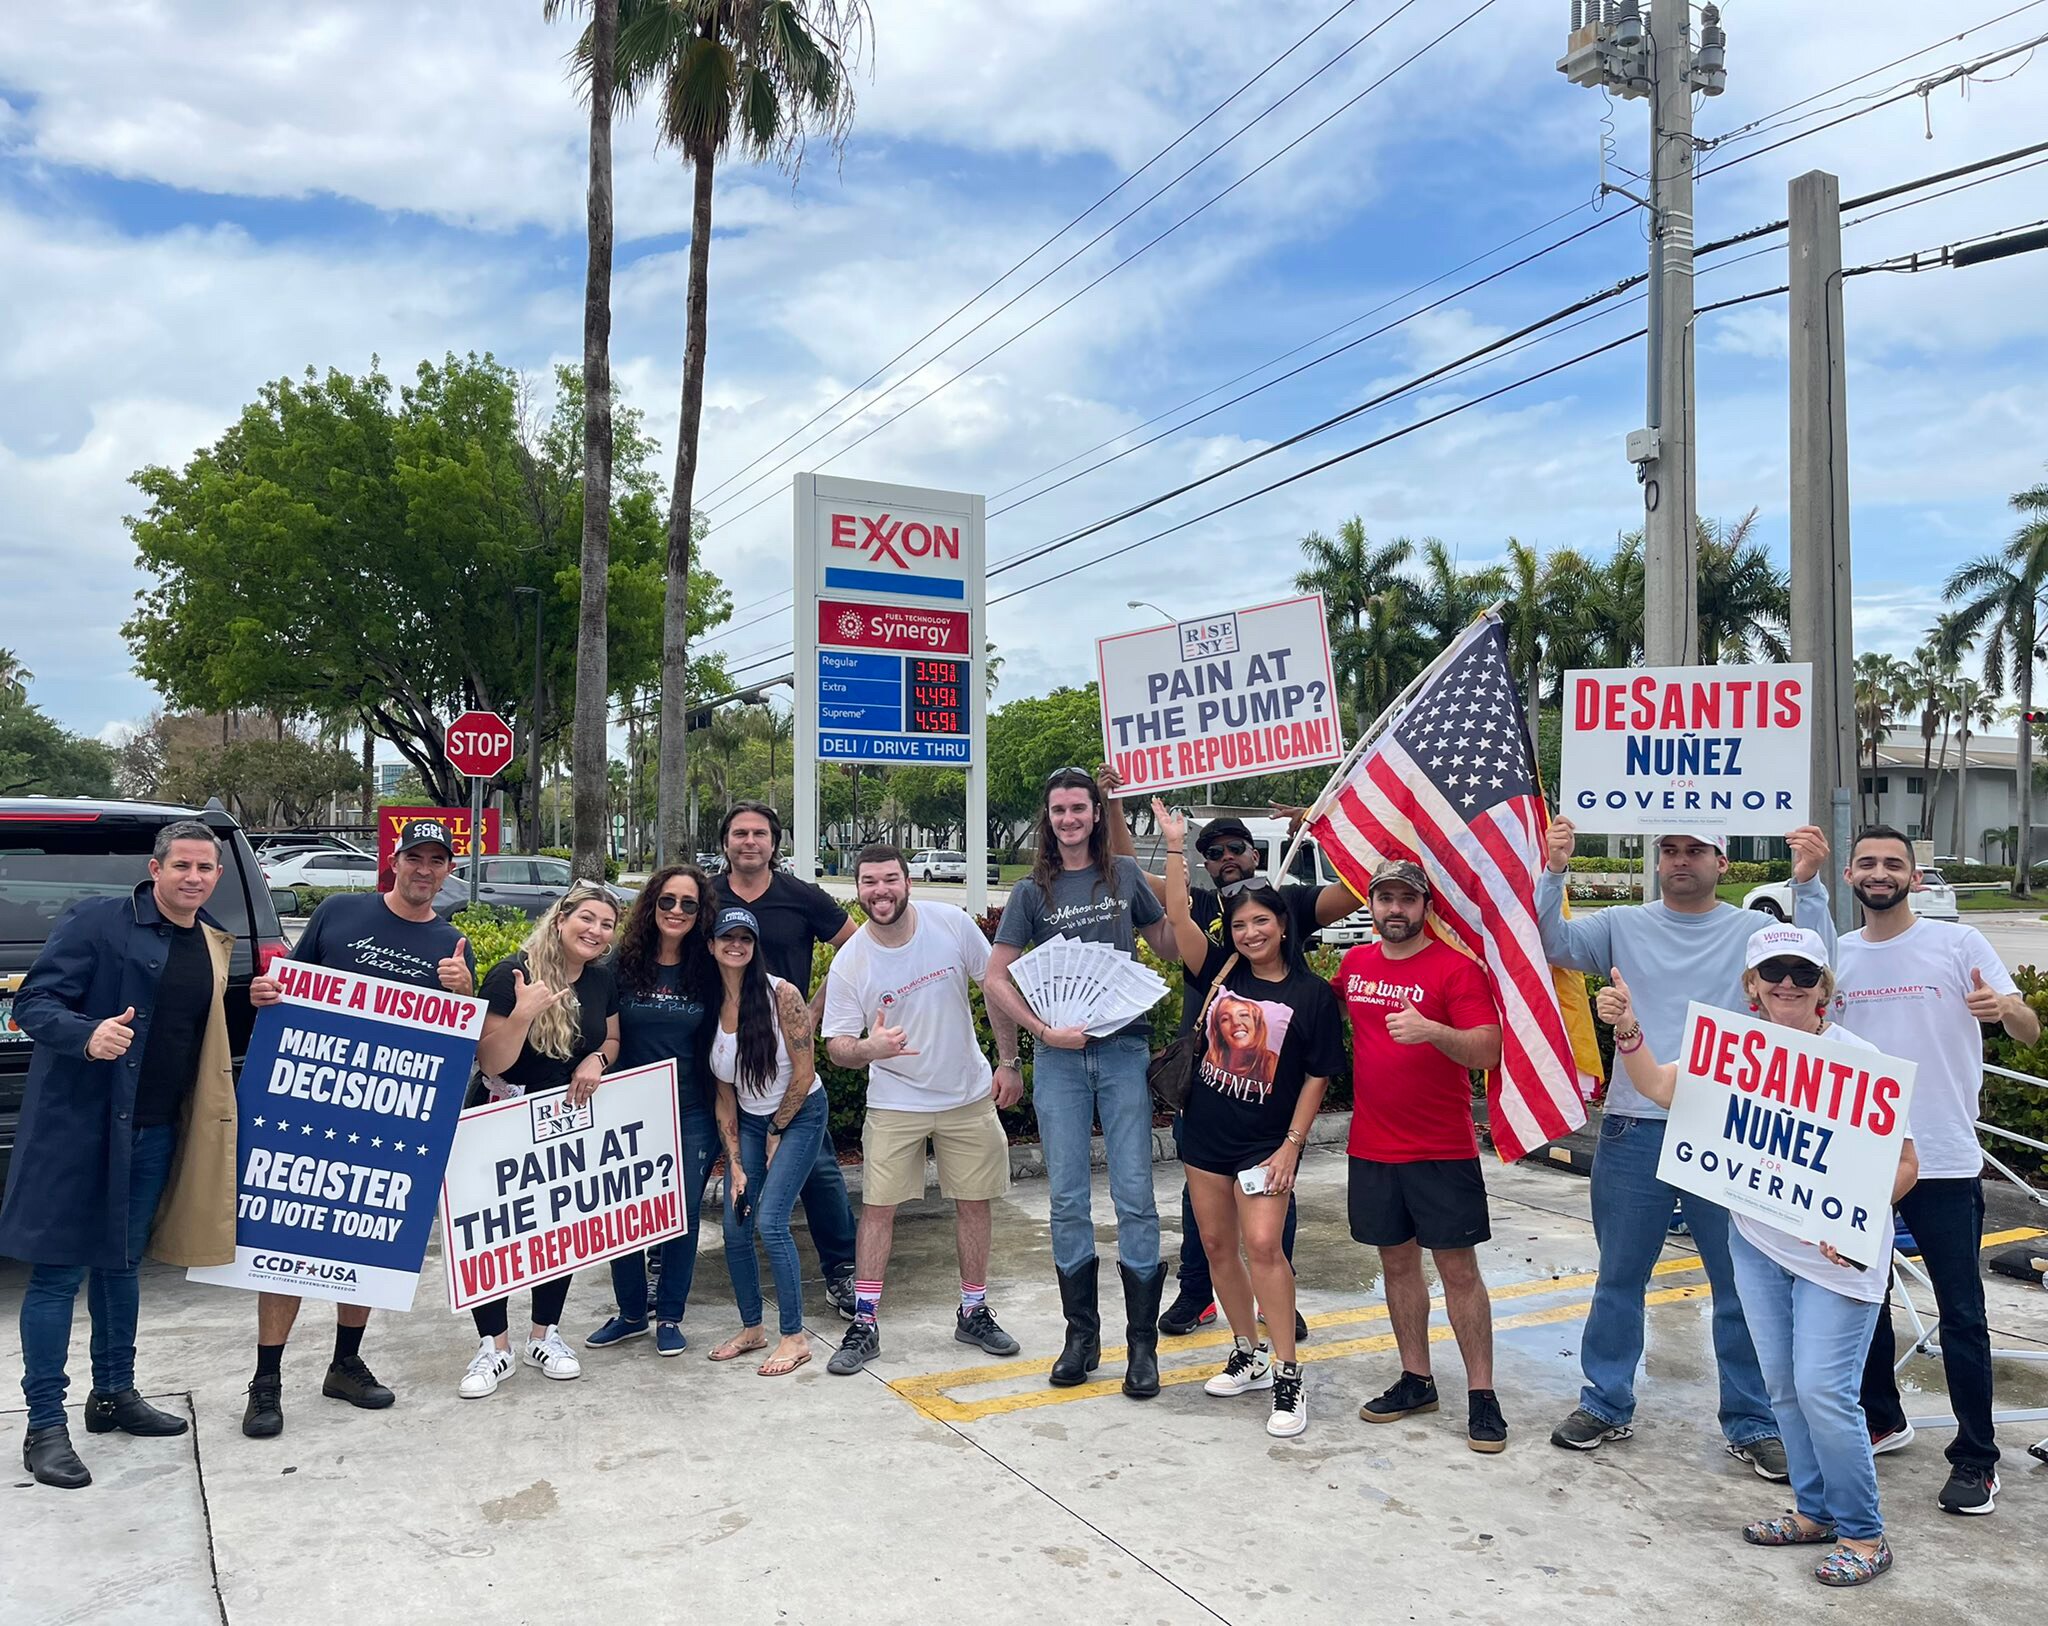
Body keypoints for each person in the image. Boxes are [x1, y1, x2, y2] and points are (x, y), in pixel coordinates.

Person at [1598, 926, 1919, 1588]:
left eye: (1805, 974)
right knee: (1782, 1388)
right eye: (1775, 971)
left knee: (1824, 1391)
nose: (1789, 985)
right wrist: (1628, 1030)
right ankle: (1814, 1510)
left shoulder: (1857, 1058)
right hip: (1759, 1245)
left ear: (1824, 987)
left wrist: (1854, 1214)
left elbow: (1907, 1163)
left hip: (1837, 1258)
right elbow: (1660, 1087)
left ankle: (1865, 1533)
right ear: (1752, 984)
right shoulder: (1732, 1052)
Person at [1537, 818, 1836, 1477]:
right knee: (1620, 1278)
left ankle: (1753, 1421)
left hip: (1727, 1131)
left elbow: (1817, 966)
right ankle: (1605, 1403)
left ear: (1722, 861)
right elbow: (1551, 941)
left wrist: (1808, 883)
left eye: (1694, 849)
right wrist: (1555, 868)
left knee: (1740, 1286)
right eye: (1669, 848)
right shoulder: (1621, 923)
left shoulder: (1751, 934)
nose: (1679, 860)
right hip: (1633, 1127)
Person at [0, 820, 237, 1489]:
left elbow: (204, 1024)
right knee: (55, 1277)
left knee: (121, 1265)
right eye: (182, 865)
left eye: (205, 868)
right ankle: (45, 1424)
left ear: (217, 876)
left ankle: (114, 1395)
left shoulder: (212, 941)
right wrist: (86, 1033)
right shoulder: (98, 921)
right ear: (154, 868)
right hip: (80, 1127)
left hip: (156, 1129)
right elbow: (34, 1002)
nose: (193, 878)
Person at [241, 816, 475, 1437]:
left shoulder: (451, 943)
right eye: (414, 858)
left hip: (390, 1116)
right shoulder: (340, 912)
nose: (424, 870)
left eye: (436, 861)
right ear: (393, 862)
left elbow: (454, 1041)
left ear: (448, 870)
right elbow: (290, 983)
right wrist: (266, 991)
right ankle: (266, 1381)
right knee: (284, 1244)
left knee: (365, 1239)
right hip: (310, 1101)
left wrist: (464, 987)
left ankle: (345, 1364)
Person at [1834, 824, 2038, 1517]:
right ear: (1850, 876)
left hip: (1946, 1159)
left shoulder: (1959, 944)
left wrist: (2007, 1008)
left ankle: (1977, 1461)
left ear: (1914, 878)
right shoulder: (1839, 957)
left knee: (1962, 1314)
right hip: (1860, 1159)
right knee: (1859, 1302)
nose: (1881, 872)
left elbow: (2028, 1028)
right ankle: (1883, 1418)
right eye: (1869, 862)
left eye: (1895, 863)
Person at [1108, 790, 1355, 1338]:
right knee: (1205, 1211)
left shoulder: (1289, 901)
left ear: (1255, 855)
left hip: (1271, 1084)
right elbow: (1127, 872)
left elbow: (1355, 892)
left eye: (1235, 848)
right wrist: (1116, 807)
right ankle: (1198, 1295)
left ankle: (1274, 1299)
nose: (1225, 857)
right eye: (1213, 851)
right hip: (1208, 1080)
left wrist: (1326, 825)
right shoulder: (1198, 905)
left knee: (1271, 1209)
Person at [986, 768, 1179, 1398]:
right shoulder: (1029, 892)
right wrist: (1037, 1035)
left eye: (1079, 808)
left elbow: (1172, 948)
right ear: (1049, 818)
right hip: (1061, 1061)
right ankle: (1082, 1337)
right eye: (1059, 810)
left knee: (1135, 1197)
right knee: (1066, 1198)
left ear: (1097, 814)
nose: (1069, 819)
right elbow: (995, 980)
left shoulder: (1123, 876)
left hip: (1123, 1049)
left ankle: (1142, 1348)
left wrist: (1175, 857)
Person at [1155, 802, 1346, 1437]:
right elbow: (1178, 916)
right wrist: (1176, 845)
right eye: (1241, 925)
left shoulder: (1313, 995)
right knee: (1215, 1247)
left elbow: (1319, 1073)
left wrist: (1293, 1144)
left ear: (1284, 926)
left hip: (1267, 1141)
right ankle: (1247, 1350)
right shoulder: (1217, 970)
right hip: (1206, 1133)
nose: (1251, 933)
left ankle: (1288, 1376)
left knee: (1264, 1247)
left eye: (1263, 922)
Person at [820, 844, 1025, 1374]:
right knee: (878, 1209)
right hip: (894, 1103)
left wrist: (1009, 1061)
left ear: (907, 881)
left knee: (974, 1201)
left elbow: (996, 987)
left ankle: (974, 1310)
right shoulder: (851, 961)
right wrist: (870, 1049)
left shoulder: (951, 924)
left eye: (889, 879)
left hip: (967, 1095)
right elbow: (838, 1044)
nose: (879, 890)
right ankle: (864, 1322)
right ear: (858, 887)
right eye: (869, 882)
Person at [1336, 860, 1508, 1454]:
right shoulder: (1353, 965)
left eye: (1406, 899)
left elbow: (1487, 1048)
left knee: (1459, 1272)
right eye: (1385, 898)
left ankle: (1482, 1395)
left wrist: (1433, 1030)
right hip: (1372, 1147)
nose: (1395, 910)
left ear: (1425, 905)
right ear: (1373, 904)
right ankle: (1417, 1380)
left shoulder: (1456, 969)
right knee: (1397, 1265)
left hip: (1442, 1148)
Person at [459, 883, 621, 1398]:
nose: (595, 931)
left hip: (562, 1120)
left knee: (556, 1228)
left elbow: (611, 1037)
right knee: (495, 1231)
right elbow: (490, 1060)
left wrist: (598, 1059)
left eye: (606, 924)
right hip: (500, 1116)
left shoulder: (601, 981)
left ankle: (543, 1335)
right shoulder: (512, 973)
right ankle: (494, 1345)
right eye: (587, 919)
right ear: (560, 919)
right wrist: (525, 1011)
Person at [711, 801, 858, 1318]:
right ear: (726, 841)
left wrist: (815, 1009)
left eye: (759, 834)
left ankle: (841, 1269)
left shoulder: (801, 896)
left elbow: (855, 948)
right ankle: (667, 1260)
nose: (749, 841)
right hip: (722, 1055)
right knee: (716, 1163)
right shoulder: (709, 897)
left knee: (819, 1170)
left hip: (788, 1066)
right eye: (739, 833)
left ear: (775, 843)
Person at [583, 863, 721, 1358]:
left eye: (689, 903)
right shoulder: (621, 963)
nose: (677, 911)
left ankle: (671, 1316)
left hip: (690, 1111)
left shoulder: (709, 968)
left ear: (701, 912)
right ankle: (631, 1314)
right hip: (626, 1110)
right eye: (668, 901)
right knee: (623, 1214)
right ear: (652, 906)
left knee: (679, 1215)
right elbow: (597, 1026)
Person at [704, 906, 831, 1377]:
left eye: (745, 938)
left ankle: (794, 1336)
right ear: (712, 945)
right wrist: (735, 1164)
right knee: (737, 1223)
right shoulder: (710, 1003)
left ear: (754, 946)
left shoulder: (783, 995)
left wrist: (778, 1130)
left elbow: (804, 1074)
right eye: (726, 938)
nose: (736, 945)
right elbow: (724, 1095)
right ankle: (752, 1327)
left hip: (798, 1113)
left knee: (772, 1221)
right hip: (751, 1123)